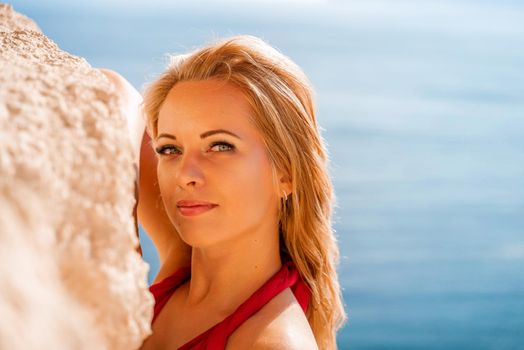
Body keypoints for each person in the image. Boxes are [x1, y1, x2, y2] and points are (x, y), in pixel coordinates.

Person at [104, 35, 346, 349]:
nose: (185, 175)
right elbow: (110, 90)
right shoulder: (182, 268)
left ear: (286, 172)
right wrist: (118, 233)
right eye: (170, 148)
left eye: (220, 146)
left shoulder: (271, 343)